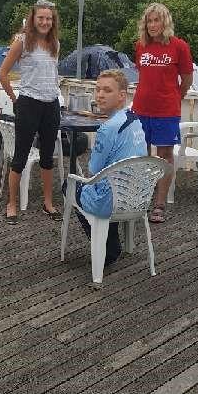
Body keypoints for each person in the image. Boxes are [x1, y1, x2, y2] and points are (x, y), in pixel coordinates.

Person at [64, 70, 147, 265]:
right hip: (137, 197)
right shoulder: (136, 120)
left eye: (107, 90)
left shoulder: (108, 128)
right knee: (106, 182)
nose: (100, 95)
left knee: (69, 184)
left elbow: (94, 169)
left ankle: (108, 246)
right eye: (98, 89)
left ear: (121, 96)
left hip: (111, 200)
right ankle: (112, 237)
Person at [0, 0, 61, 223]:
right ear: (33, 19)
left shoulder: (55, 44)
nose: (45, 22)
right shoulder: (22, 42)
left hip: (51, 105)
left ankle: (48, 203)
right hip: (28, 104)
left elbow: (52, 75)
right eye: (40, 18)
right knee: (20, 157)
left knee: (47, 157)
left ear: (53, 22)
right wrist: (15, 99)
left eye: (49, 18)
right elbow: (3, 73)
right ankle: (12, 204)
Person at [131, 2, 193, 223]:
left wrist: (175, 98)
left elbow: (187, 80)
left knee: (164, 157)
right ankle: (141, 197)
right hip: (140, 109)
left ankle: (159, 203)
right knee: (141, 155)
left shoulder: (179, 46)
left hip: (166, 111)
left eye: (157, 20)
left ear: (165, 22)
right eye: (149, 20)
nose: (153, 24)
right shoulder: (140, 46)